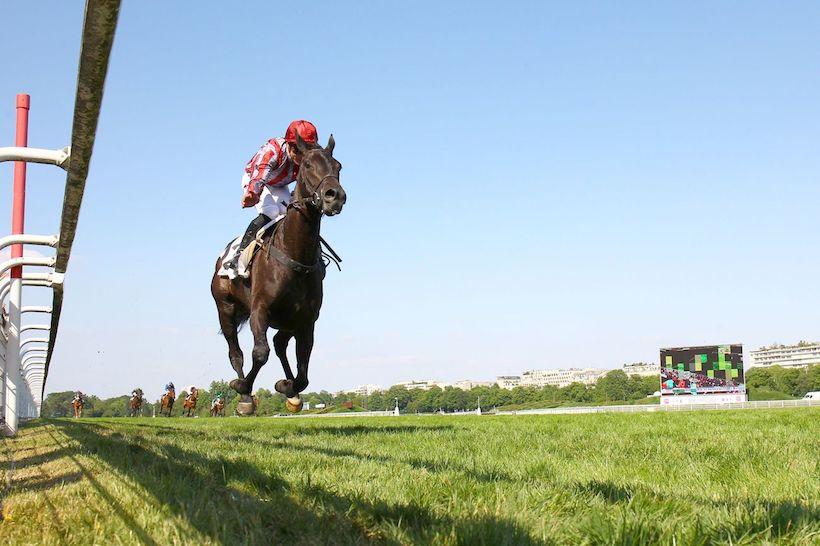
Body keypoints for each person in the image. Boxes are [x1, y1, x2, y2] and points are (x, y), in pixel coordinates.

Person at [223, 120, 319, 278]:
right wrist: (252, 193)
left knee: (291, 215)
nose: (302, 157)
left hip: (279, 185)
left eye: (307, 150)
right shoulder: (273, 151)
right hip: (257, 180)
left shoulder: (306, 158)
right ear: (290, 145)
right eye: (299, 151)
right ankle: (237, 258)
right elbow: (261, 174)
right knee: (272, 212)